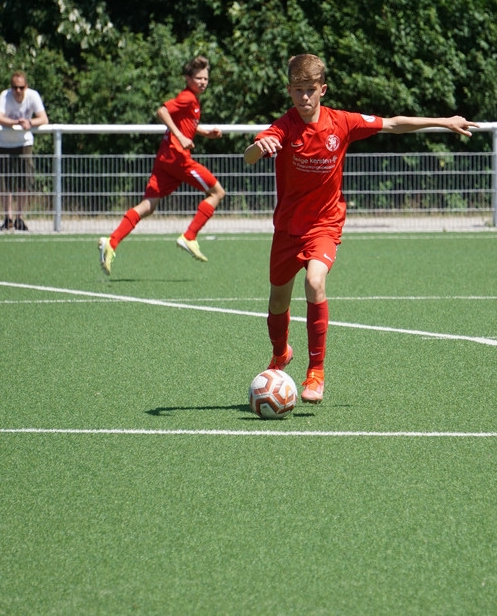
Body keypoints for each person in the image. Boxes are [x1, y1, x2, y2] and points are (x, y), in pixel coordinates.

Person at [244, 53, 477, 403]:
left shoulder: (342, 122)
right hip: (288, 230)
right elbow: (248, 157)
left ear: (322, 89)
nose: (304, 97)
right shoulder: (284, 127)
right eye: (297, 90)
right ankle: (281, 353)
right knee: (278, 303)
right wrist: (257, 147)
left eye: (310, 90)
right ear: (289, 90)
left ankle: (316, 372)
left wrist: (444, 121)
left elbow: (394, 124)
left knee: (315, 281)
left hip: (325, 224)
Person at [98, 56, 224, 274]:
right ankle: (189, 236)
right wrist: (181, 138)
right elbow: (162, 111)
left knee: (148, 205)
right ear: (188, 79)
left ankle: (111, 242)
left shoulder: (193, 100)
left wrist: (205, 132)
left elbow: (185, 123)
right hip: (177, 158)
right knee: (217, 192)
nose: (203, 82)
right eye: (199, 78)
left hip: (165, 157)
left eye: (206, 78)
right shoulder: (187, 97)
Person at [0, 71, 48, 231]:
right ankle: (8, 218)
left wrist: (30, 122)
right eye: (14, 87)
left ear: (26, 86)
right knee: (4, 183)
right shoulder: (4, 96)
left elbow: (44, 118)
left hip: (24, 143)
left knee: (24, 181)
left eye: (21, 87)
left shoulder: (33, 96)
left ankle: (20, 218)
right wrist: (15, 123)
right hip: (4, 143)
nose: (18, 91)